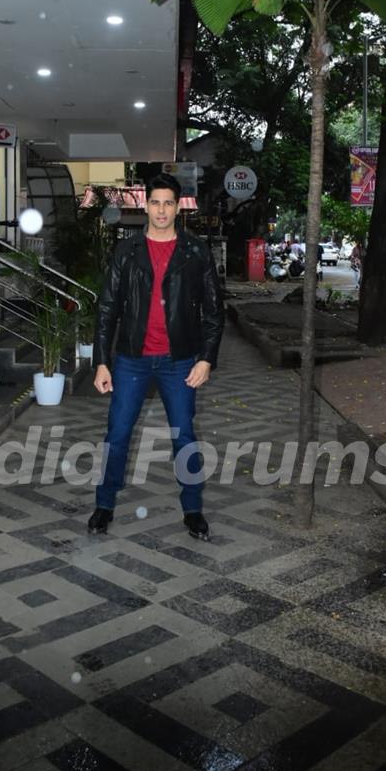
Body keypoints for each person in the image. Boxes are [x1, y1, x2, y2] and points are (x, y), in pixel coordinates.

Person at [90, 173, 224, 540]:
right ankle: (104, 504)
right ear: (145, 205)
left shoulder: (196, 251)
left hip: (180, 360)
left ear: (178, 207)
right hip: (132, 359)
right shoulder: (127, 251)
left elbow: (214, 310)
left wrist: (206, 359)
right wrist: (102, 360)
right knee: (117, 434)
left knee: (184, 436)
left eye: (169, 202)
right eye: (155, 202)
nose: (162, 209)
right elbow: (107, 309)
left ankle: (193, 508)